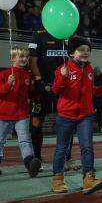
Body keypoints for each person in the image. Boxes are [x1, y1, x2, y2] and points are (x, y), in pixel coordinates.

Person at [50, 37, 102, 194]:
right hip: (66, 115)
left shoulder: (89, 69)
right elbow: (55, 91)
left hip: (85, 115)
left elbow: (92, 90)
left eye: (88, 50)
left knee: (87, 147)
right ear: (72, 52)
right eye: (81, 50)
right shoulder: (63, 68)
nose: (86, 52)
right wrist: (62, 77)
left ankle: (89, 178)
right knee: (61, 148)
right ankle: (58, 179)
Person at [28, 27, 78, 172]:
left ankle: (66, 158)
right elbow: (32, 60)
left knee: (67, 121)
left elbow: (76, 59)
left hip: (63, 87)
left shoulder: (69, 36)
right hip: (41, 87)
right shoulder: (38, 34)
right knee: (37, 121)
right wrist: (40, 81)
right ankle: (36, 159)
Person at [0, 45, 41, 177]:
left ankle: (29, 163)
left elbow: (31, 95)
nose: (25, 59)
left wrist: (36, 88)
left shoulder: (27, 75)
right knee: (0, 140)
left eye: (26, 57)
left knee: (25, 140)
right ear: (12, 59)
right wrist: (8, 84)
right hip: (5, 114)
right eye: (21, 56)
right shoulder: (4, 74)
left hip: (22, 114)